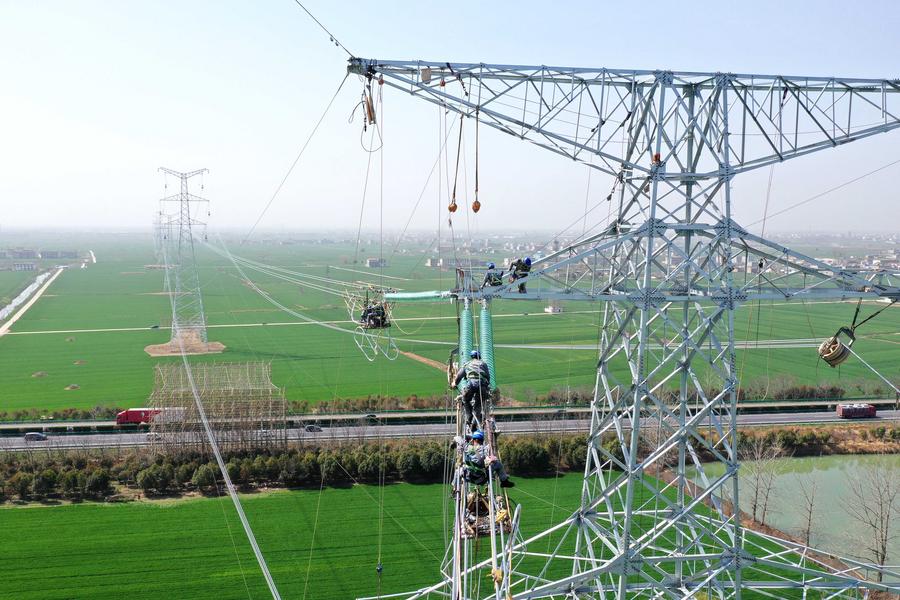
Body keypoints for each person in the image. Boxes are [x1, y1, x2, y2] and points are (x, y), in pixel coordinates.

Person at [453, 350, 490, 428]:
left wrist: (454, 383)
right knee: (479, 402)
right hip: (482, 386)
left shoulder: (467, 364)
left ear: (471, 357)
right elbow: (488, 377)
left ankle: (469, 416)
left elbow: (459, 376)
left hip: (471, 385)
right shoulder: (484, 364)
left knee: (465, 399)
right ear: (479, 356)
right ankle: (476, 421)